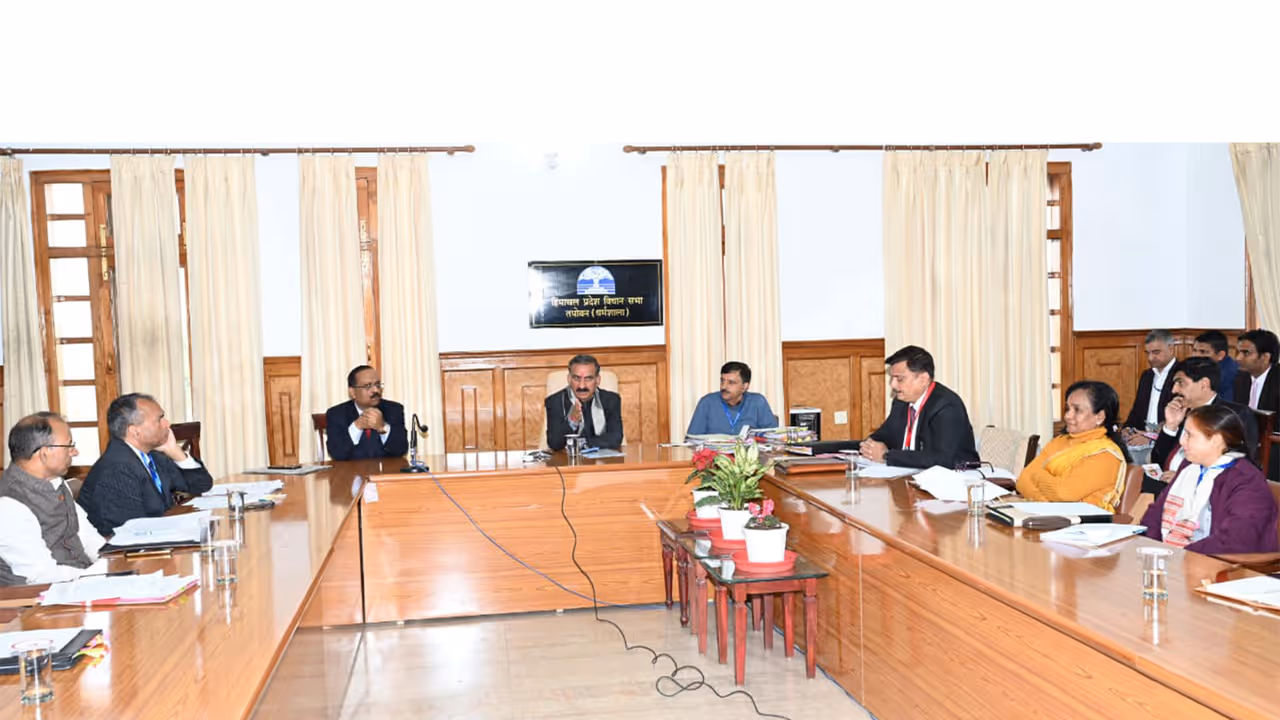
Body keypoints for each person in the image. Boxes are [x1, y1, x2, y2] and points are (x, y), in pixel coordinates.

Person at [1141, 404, 1278, 555]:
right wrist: (1152, 549)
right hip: (1172, 558)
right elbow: (1155, 514)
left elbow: (1236, 541)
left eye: (1189, 435)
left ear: (1216, 440)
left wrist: (1177, 557)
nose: (1182, 441)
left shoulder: (1246, 480)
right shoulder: (1189, 466)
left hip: (1220, 568)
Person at [78, 393, 215, 536]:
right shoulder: (117, 469)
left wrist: (175, 451)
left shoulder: (151, 455)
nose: (167, 424)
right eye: (159, 419)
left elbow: (202, 485)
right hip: (129, 553)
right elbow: (133, 533)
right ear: (134, 430)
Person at [0, 413, 108, 585]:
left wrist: (112, 564)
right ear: (44, 453)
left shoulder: (56, 482)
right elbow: (42, 575)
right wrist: (98, 574)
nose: (75, 452)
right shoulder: (9, 503)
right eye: (69, 446)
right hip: (38, 599)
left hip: (81, 581)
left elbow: (86, 535)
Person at [1148, 357, 1258, 493]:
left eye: (1180, 383)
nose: (1174, 390)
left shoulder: (1233, 415)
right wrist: (1171, 426)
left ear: (1204, 384)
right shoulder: (1181, 411)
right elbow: (1157, 462)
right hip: (1168, 485)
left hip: (1204, 492)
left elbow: (1239, 466)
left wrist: (1186, 478)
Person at [1016, 381, 1130, 512]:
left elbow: (1063, 493)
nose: (1067, 416)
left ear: (1100, 416)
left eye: (1077, 410)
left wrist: (1036, 476)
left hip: (1084, 527)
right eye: (1067, 409)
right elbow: (1023, 480)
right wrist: (1046, 505)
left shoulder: (1105, 454)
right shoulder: (1060, 441)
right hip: (1045, 517)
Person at [860, 345, 979, 469]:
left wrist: (886, 456)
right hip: (910, 476)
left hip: (955, 479)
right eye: (892, 378)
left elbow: (943, 459)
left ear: (923, 379)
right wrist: (861, 447)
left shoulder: (947, 406)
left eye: (900, 379)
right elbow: (882, 437)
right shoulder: (901, 402)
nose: (893, 385)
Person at [325, 365, 409, 461]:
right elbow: (337, 454)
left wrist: (383, 428)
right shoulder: (336, 414)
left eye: (377, 385)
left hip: (385, 473)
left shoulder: (394, 410)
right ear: (352, 392)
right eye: (368, 386)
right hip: (350, 473)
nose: (376, 390)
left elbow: (401, 450)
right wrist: (357, 427)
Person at [545, 354, 623, 450]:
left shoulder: (611, 400)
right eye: (577, 378)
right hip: (568, 462)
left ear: (597, 380)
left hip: (603, 462)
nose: (582, 386)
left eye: (588, 378)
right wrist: (572, 421)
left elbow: (615, 439)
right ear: (569, 379)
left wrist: (582, 443)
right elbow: (554, 443)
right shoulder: (555, 401)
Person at [686, 361, 779, 436]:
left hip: (749, 457)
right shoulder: (707, 403)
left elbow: (773, 437)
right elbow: (692, 440)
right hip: (715, 457)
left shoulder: (758, 402)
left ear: (745, 386)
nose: (724, 387)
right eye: (722, 381)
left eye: (731, 382)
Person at [1122, 329, 1179, 445]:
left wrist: (1151, 439)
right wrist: (1128, 428)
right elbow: (1137, 410)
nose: (1150, 358)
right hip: (1141, 436)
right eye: (1148, 353)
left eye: (1156, 352)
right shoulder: (1147, 376)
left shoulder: (1182, 375)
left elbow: (1181, 421)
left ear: (1171, 349)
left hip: (1167, 442)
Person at [1233, 329, 1279, 413]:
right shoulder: (1240, 378)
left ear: (1265, 357)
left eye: (1246, 353)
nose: (1238, 358)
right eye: (1238, 352)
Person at [1191, 330, 1240, 402]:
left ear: (1220, 355)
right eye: (1194, 350)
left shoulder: (1229, 374)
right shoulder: (1202, 367)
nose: (1196, 356)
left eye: (1203, 352)